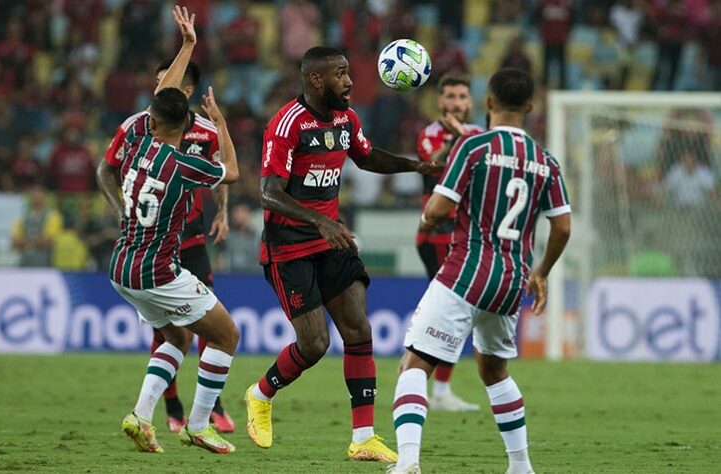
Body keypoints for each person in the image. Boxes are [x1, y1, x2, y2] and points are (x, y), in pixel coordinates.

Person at [244, 46, 442, 462]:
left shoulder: (346, 119)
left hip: (330, 242)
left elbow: (366, 157)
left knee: (359, 331)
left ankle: (363, 437)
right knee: (314, 344)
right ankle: (261, 394)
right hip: (289, 248)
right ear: (315, 80)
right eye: (340, 74)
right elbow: (268, 192)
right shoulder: (287, 125)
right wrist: (319, 221)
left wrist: (416, 167)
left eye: (348, 73)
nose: (350, 82)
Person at [389, 68, 572, 474]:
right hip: (512, 281)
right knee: (494, 370)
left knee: (413, 363)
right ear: (530, 106)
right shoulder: (547, 162)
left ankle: (407, 462)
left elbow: (437, 210)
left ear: (488, 103)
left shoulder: (474, 147)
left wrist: (425, 221)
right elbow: (562, 226)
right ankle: (521, 465)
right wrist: (541, 271)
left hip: (467, 271)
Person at [98, 6, 240, 455]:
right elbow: (233, 172)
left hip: (121, 265)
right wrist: (218, 120)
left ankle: (141, 416)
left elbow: (162, 96)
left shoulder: (139, 139)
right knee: (227, 335)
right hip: (158, 270)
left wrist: (188, 44)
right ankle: (198, 424)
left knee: (178, 337)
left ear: (153, 118)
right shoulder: (187, 164)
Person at [414, 73, 484, 413]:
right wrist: (455, 140)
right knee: (450, 313)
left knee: (457, 313)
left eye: (462, 96)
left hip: (465, 236)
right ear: (440, 102)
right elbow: (433, 167)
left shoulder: (480, 137)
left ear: (470, 102)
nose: (456, 102)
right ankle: (434, 388)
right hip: (437, 235)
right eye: (451, 96)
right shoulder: (432, 135)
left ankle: (433, 387)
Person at [11, 185, 63, 267]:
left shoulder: (53, 216)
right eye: (34, 195)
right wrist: (36, 242)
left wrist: (25, 242)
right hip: (24, 263)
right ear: (30, 197)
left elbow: (47, 242)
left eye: (39, 195)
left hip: (44, 264)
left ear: (44, 197)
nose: (36, 198)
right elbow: (14, 243)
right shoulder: (22, 218)